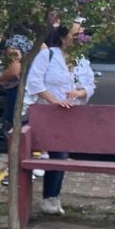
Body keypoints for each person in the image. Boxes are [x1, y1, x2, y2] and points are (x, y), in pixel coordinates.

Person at [25, 21, 91, 216]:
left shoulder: (81, 59)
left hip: (70, 115)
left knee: (61, 154)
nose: (80, 39)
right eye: (76, 34)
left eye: (82, 35)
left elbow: (89, 85)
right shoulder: (48, 55)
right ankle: (49, 197)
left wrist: (78, 93)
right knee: (56, 154)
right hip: (48, 113)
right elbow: (34, 83)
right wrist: (55, 101)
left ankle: (52, 197)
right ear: (64, 37)